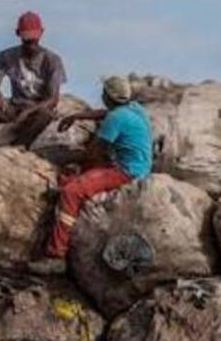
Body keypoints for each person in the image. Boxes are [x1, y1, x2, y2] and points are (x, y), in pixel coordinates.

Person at [32, 75, 152, 272]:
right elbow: (104, 114)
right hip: (139, 165)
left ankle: (56, 255)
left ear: (108, 96)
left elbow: (96, 151)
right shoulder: (135, 109)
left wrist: (70, 157)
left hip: (126, 171)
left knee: (71, 191)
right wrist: (78, 116)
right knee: (75, 175)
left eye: (104, 92)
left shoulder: (116, 119)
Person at [0, 11, 67, 148]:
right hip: (13, 108)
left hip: (34, 112)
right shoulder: (6, 56)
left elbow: (52, 100)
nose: (31, 44)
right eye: (27, 39)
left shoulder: (52, 60)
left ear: (41, 33)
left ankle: (19, 145)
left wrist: (27, 113)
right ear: (18, 33)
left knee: (45, 114)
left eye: (33, 39)